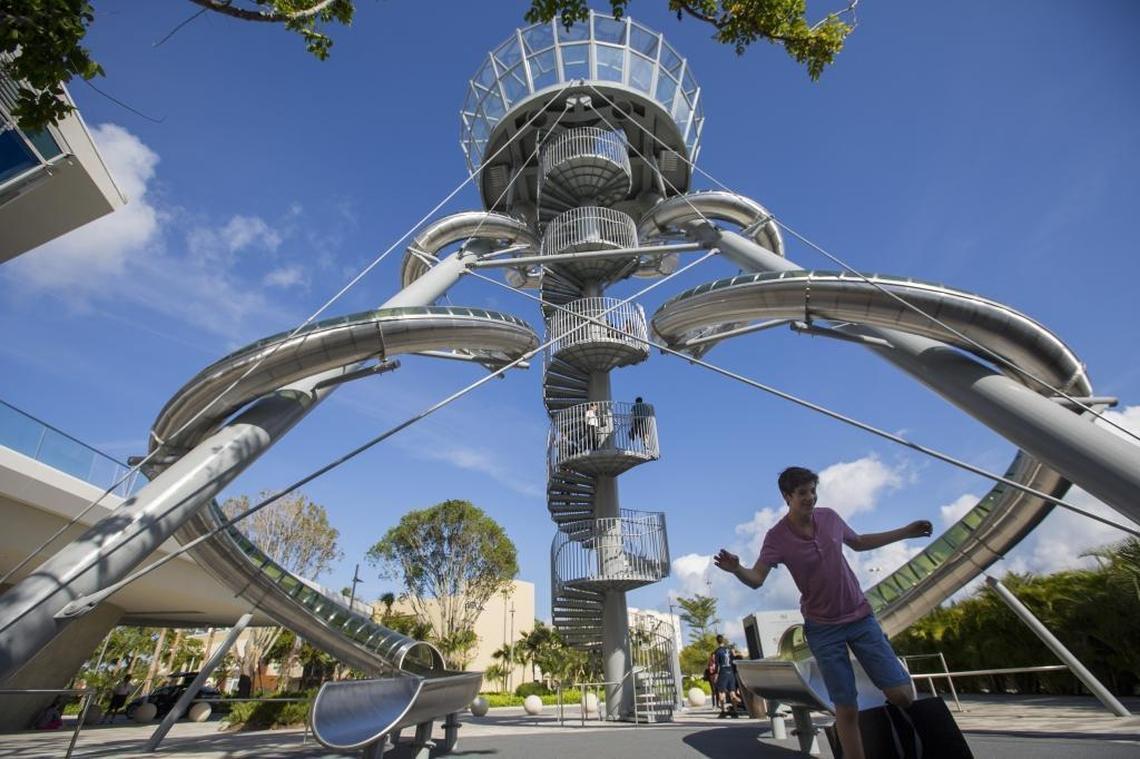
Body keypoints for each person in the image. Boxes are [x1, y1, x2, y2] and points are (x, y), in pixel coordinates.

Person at [714, 466, 933, 759]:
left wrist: (906, 531)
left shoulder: (829, 517)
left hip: (860, 617)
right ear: (787, 496)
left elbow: (859, 542)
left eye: (813, 491)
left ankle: (898, 730)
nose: (810, 498)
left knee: (901, 695)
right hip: (822, 628)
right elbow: (757, 579)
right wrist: (737, 569)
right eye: (802, 493)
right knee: (846, 706)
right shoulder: (776, 537)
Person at [712, 634, 740, 718]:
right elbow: (733, 660)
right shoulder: (729, 649)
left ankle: (723, 711)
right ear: (723, 640)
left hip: (723, 672)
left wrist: (716, 675)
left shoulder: (717, 651)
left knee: (721, 692)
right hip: (730, 672)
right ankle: (735, 711)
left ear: (717, 641)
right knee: (732, 692)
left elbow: (717, 665)